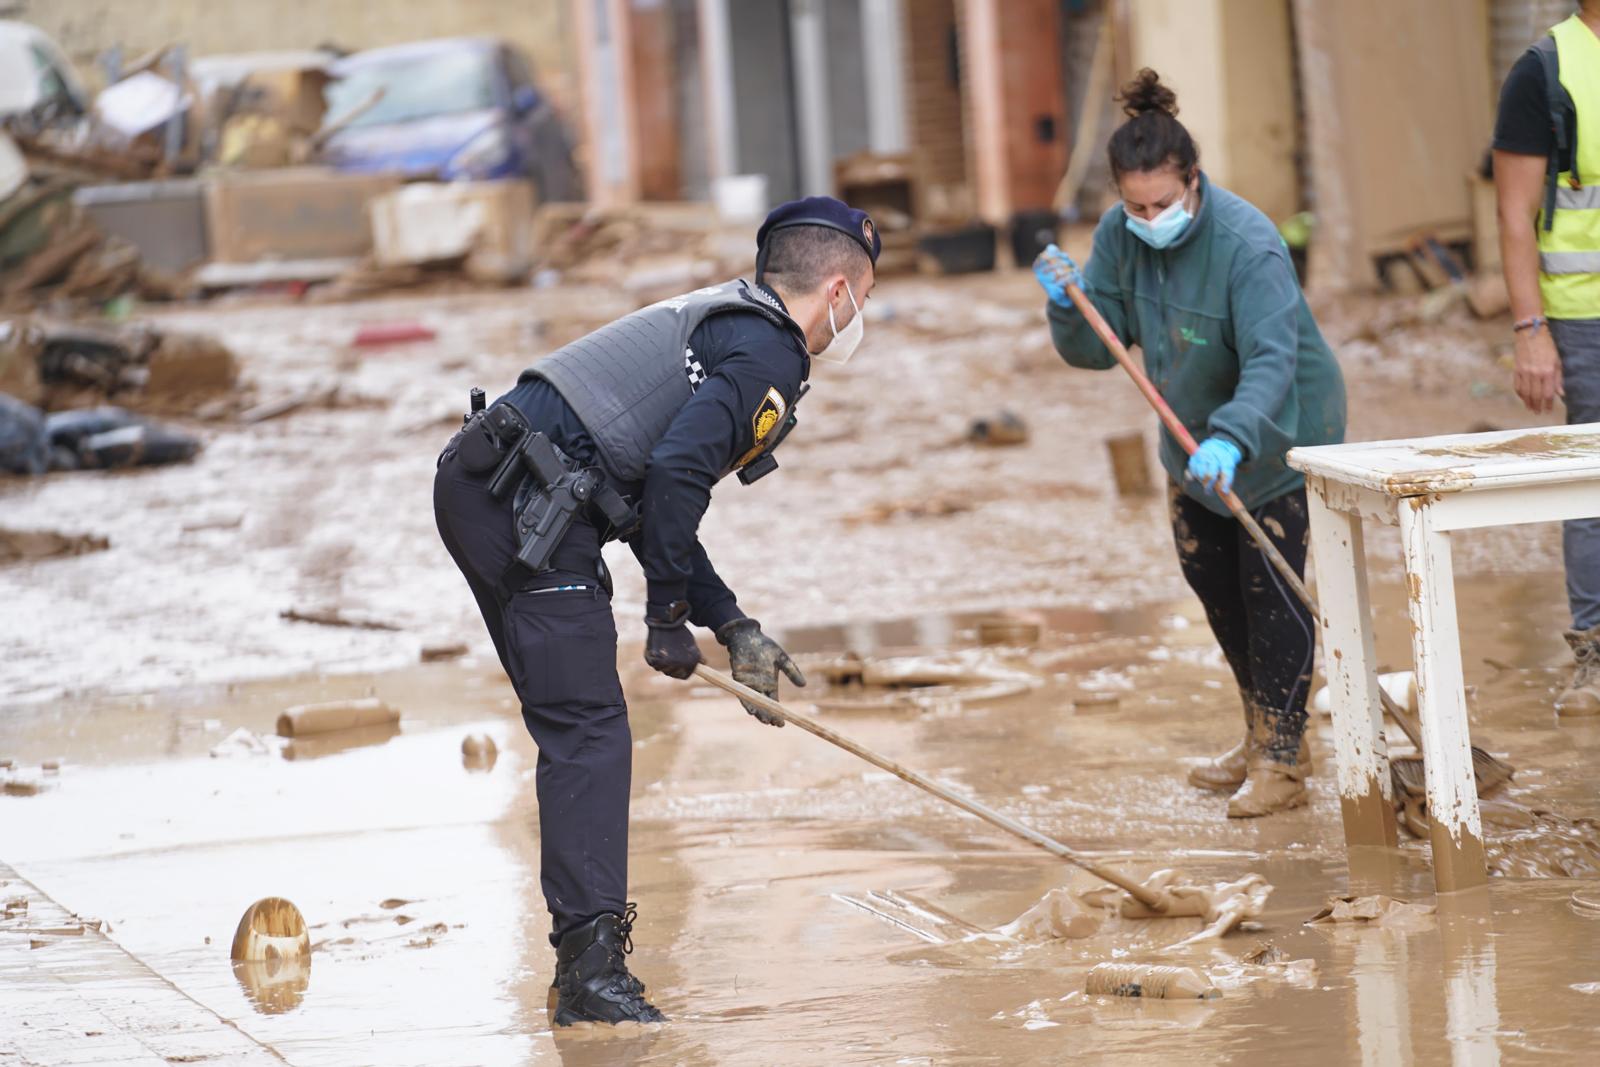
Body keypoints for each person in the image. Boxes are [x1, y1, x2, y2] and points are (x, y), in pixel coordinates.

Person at [433, 196, 878, 1026]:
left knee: (577, 724)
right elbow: (676, 476)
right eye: (866, 299)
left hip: (502, 488)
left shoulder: (729, 322)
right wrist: (666, 616)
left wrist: (729, 623)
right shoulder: (769, 353)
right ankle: (591, 979)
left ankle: (583, 967)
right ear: (840, 290)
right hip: (520, 505)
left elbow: (642, 497)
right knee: (588, 729)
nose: (860, 318)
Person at [1034, 70, 1346, 818]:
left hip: (1278, 430)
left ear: (1193, 182)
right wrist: (1070, 306)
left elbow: (1271, 360)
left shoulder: (1249, 245)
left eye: (1164, 204)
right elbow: (1100, 347)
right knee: (1215, 585)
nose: (1150, 219)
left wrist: (1234, 438)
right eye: (1136, 206)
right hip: (1190, 435)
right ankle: (1265, 730)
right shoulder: (1120, 236)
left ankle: (1282, 760)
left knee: (1271, 591)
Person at [1493, 3, 1600, 715]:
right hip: (1584, 314)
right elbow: (1514, 215)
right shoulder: (1546, 69)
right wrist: (1530, 329)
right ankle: (1595, 651)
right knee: (1593, 480)